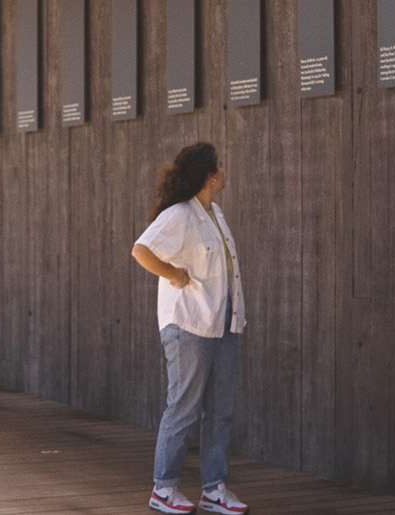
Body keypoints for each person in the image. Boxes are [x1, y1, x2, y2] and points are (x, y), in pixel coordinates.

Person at [130, 142, 250, 515]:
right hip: (189, 325)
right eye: (220, 166)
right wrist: (174, 274)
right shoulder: (180, 215)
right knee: (183, 407)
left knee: (221, 409)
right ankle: (163, 489)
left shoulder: (215, 213)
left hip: (223, 325)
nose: (224, 171)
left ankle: (214, 489)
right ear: (209, 175)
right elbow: (142, 249)